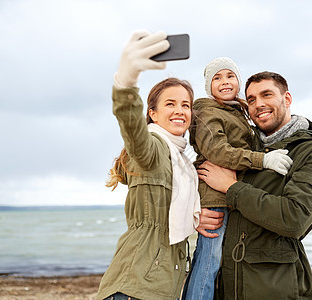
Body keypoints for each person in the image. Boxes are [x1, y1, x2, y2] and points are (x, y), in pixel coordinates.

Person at [197, 71, 312, 299]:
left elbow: (294, 218)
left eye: (267, 95)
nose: (259, 104)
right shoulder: (242, 147)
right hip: (226, 285)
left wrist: (232, 188)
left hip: (276, 286)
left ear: (287, 99)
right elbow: (201, 172)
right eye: (251, 99)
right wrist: (195, 214)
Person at [97, 31, 201, 300]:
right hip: (135, 288)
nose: (180, 110)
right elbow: (132, 128)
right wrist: (125, 81)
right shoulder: (154, 148)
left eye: (186, 105)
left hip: (158, 288)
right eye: (170, 104)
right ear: (153, 113)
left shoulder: (183, 163)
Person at [183, 59, 293, 300]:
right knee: (209, 261)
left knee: (221, 262)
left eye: (230, 76)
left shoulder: (236, 110)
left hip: (232, 194)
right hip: (215, 198)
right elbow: (217, 152)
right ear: (207, 86)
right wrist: (262, 160)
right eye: (217, 78)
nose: (225, 82)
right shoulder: (206, 113)